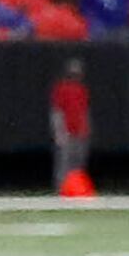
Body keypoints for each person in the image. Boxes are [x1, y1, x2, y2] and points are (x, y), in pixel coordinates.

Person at [51, 59, 93, 190]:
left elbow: (85, 110)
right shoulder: (61, 88)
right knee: (64, 163)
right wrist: (59, 132)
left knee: (79, 163)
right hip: (67, 132)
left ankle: (77, 188)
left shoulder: (82, 89)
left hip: (80, 132)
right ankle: (62, 189)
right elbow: (57, 111)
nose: (76, 75)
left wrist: (87, 129)